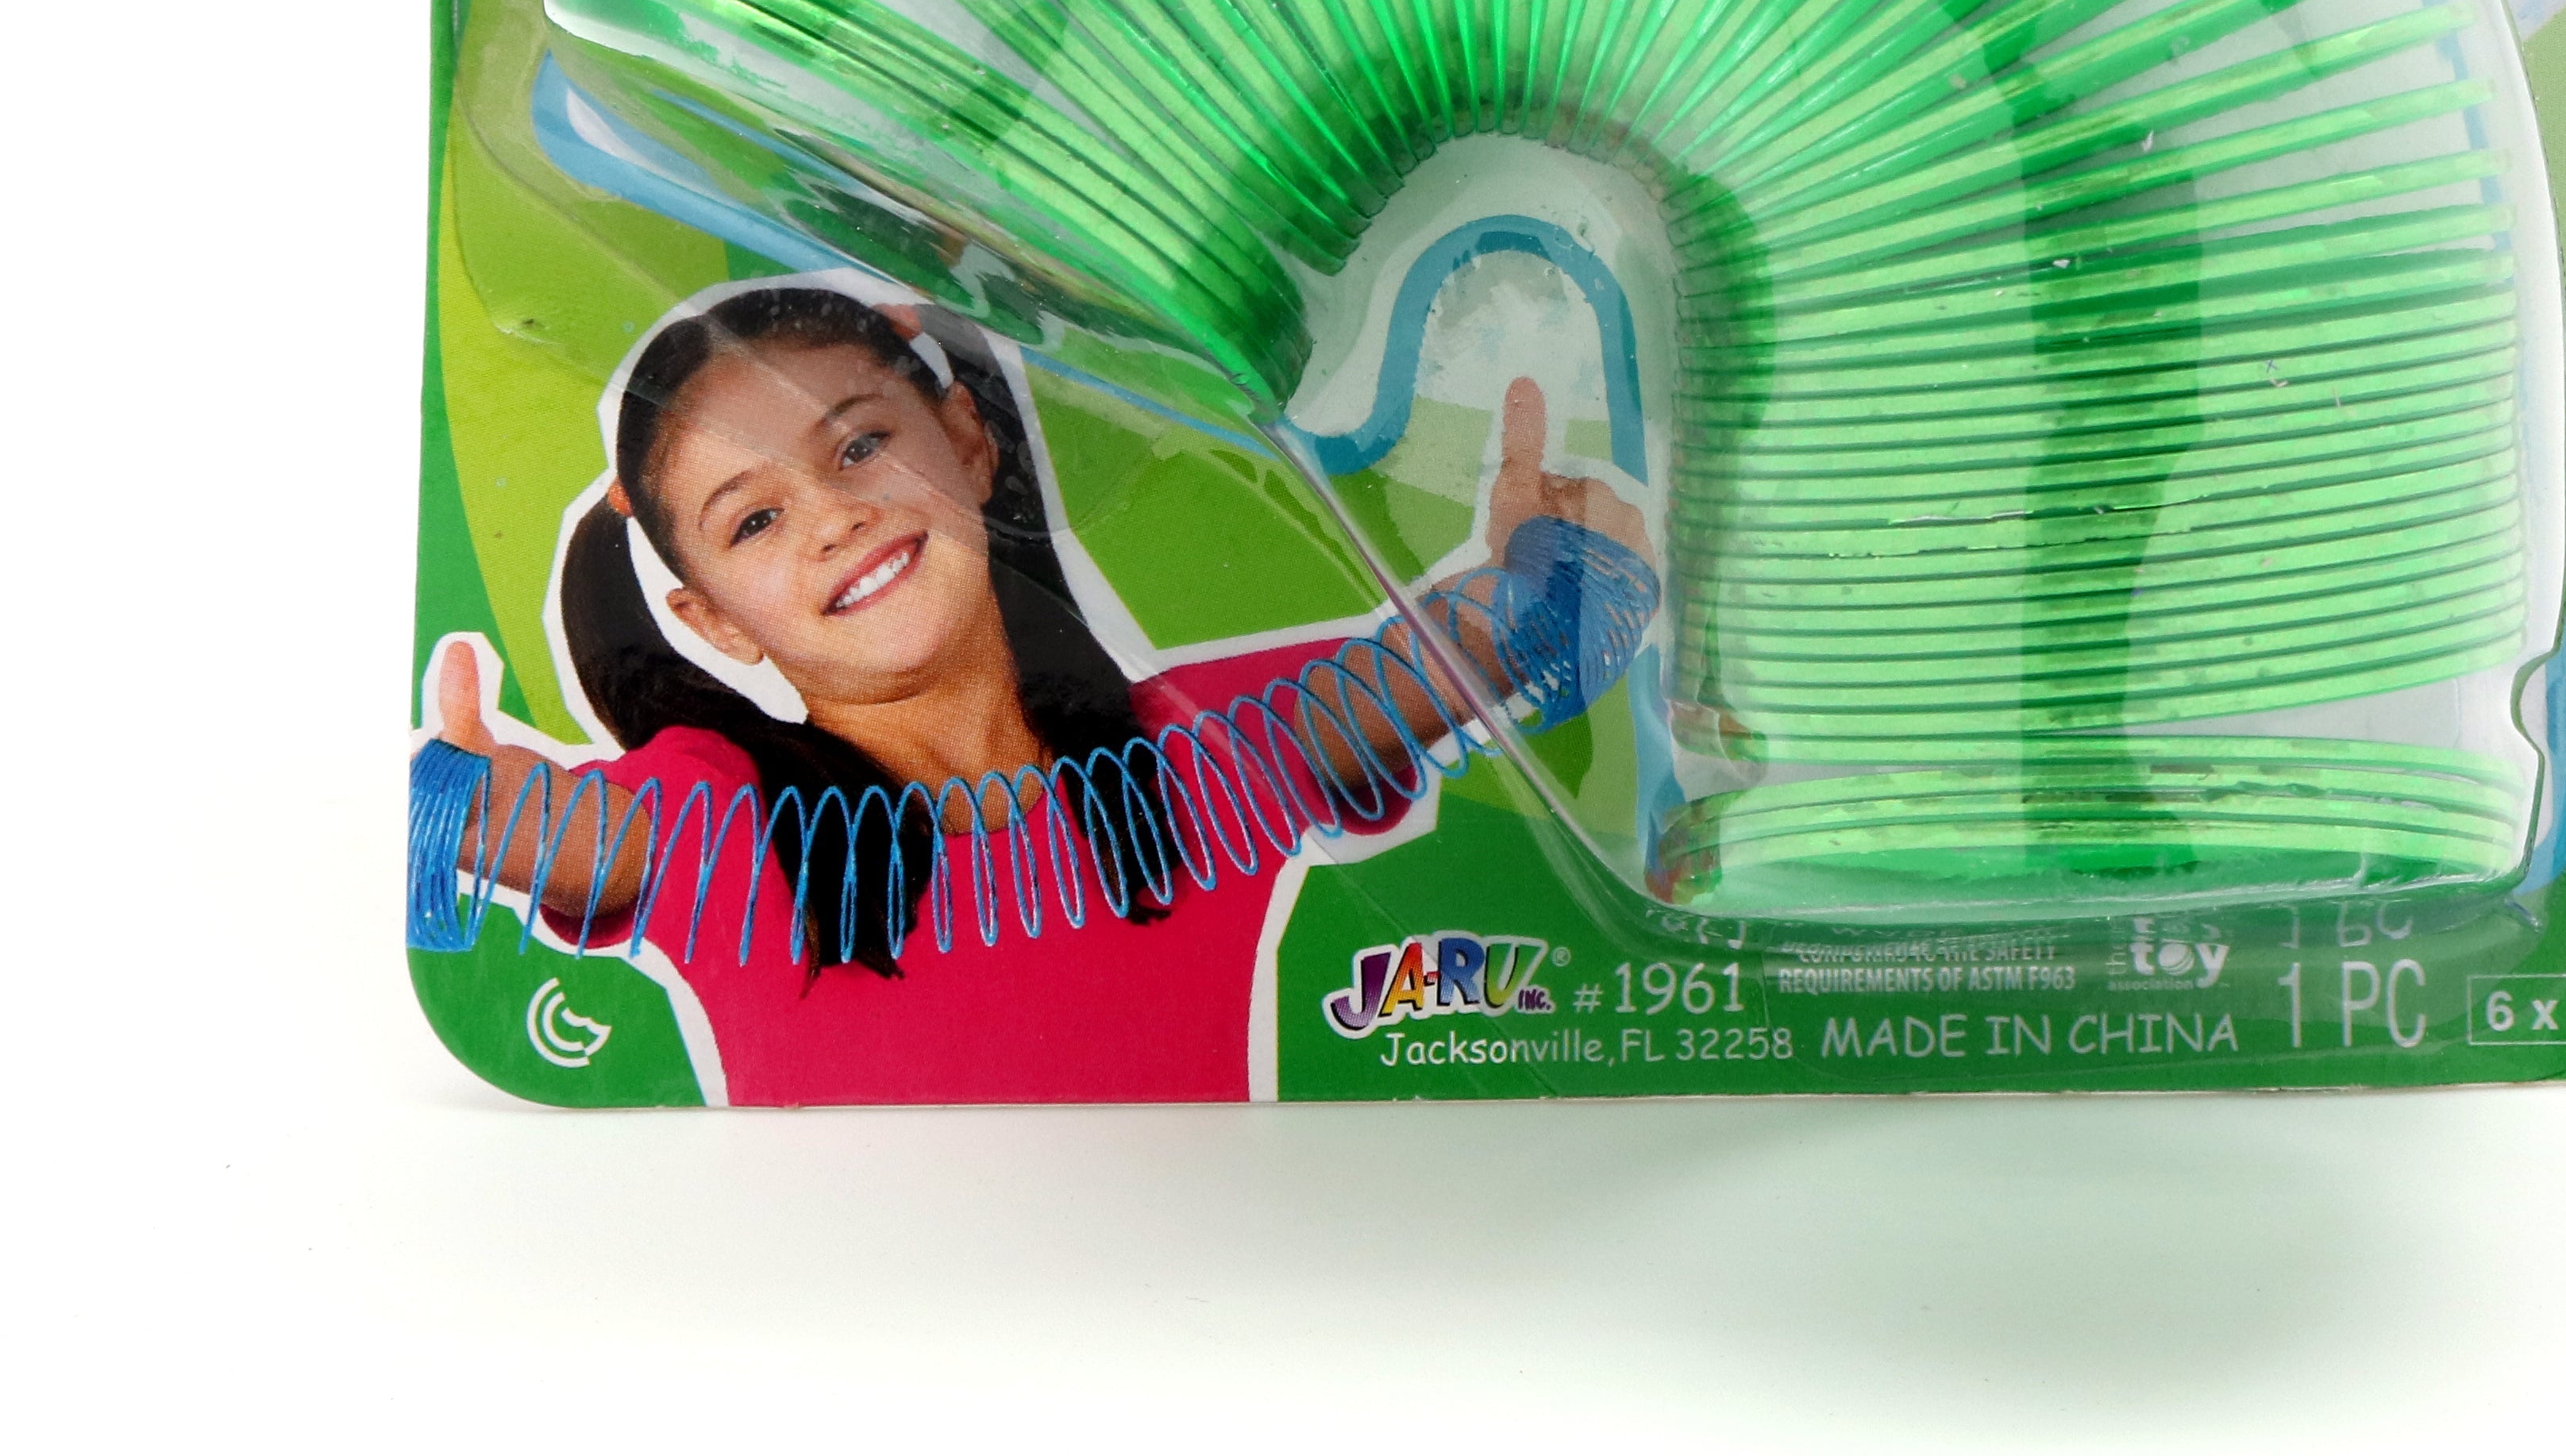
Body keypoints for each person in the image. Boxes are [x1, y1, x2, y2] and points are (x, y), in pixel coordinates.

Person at [421, 280, 1649, 1104]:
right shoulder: (730, 833)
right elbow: (492, 828)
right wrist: (455, 798)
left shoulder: (1198, 761)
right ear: (714, 621)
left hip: (1227, 1271)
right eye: (755, 521)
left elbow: (1518, 640)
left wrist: (1563, 558)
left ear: (967, 442)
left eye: (860, 445)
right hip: (815, 1302)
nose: (837, 516)